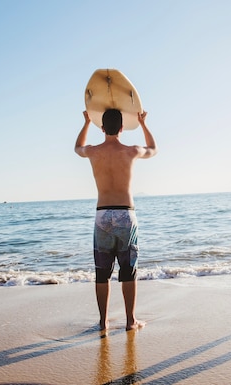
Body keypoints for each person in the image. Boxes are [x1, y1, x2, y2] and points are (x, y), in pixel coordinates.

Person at [75, 109, 157, 331]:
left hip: (102, 214)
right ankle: (131, 321)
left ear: (102, 128)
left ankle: (104, 321)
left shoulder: (93, 152)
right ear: (122, 128)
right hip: (125, 214)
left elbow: (77, 148)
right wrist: (142, 123)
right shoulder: (131, 151)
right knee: (128, 269)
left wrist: (85, 122)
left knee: (102, 272)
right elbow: (153, 149)